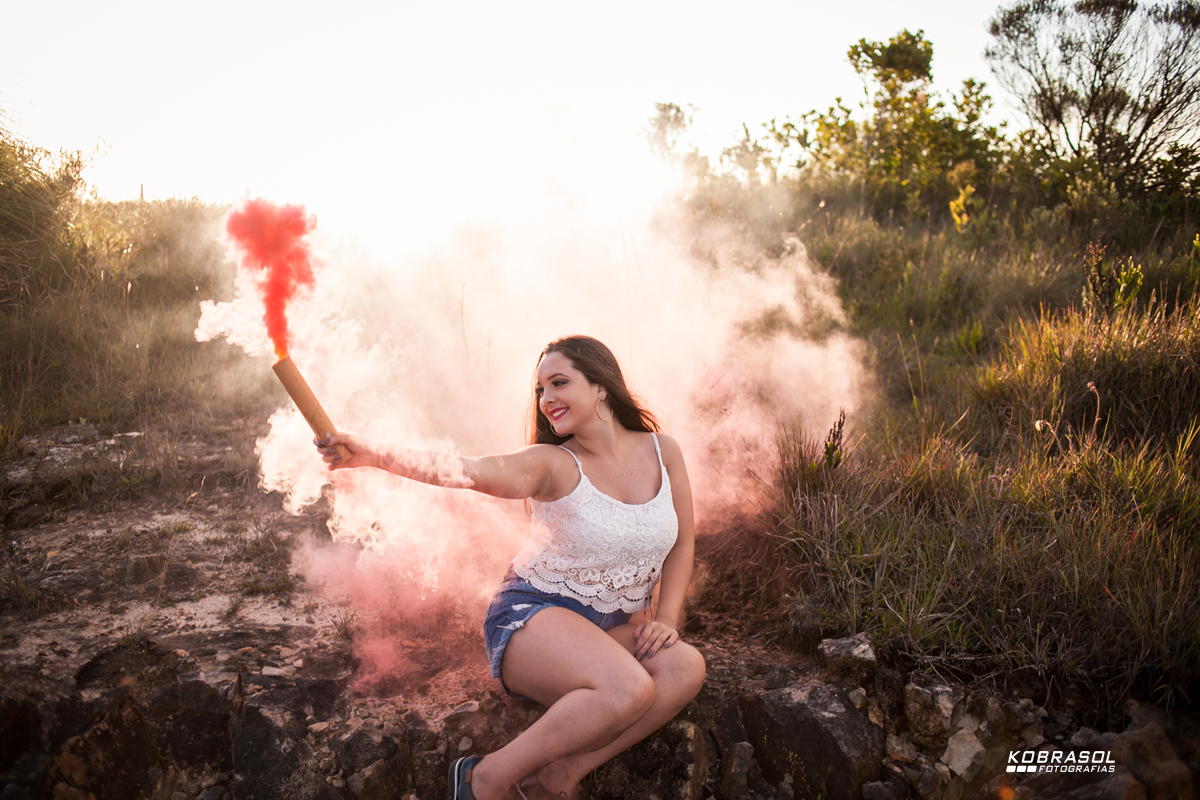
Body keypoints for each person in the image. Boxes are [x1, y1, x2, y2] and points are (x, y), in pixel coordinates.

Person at [315, 335, 706, 800]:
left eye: (559, 383)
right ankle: (483, 777)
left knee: (685, 667)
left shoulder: (663, 451)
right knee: (630, 690)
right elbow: (467, 469)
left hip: (606, 629)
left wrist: (666, 619)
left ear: (602, 386)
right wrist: (373, 454)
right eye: (541, 390)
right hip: (532, 618)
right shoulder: (552, 464)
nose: (546, 400)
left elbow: (682, 541)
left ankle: (558, 776)